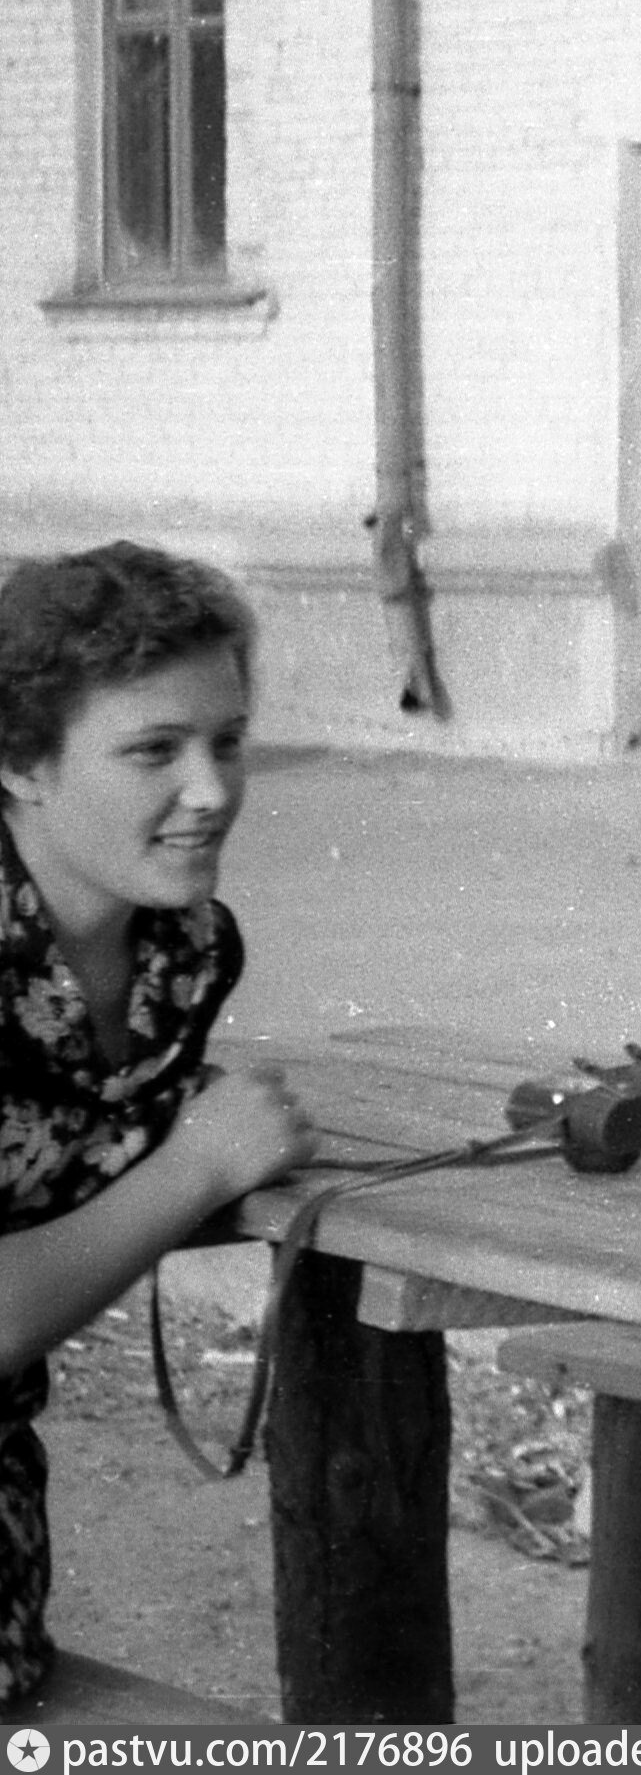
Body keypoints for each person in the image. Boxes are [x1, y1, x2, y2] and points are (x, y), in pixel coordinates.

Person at [0, 543, 314, 1710]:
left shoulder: (183, 952)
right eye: (153, 750)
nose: (212, 789)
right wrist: (197, 1166)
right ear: (20, 760)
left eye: (226, 741)